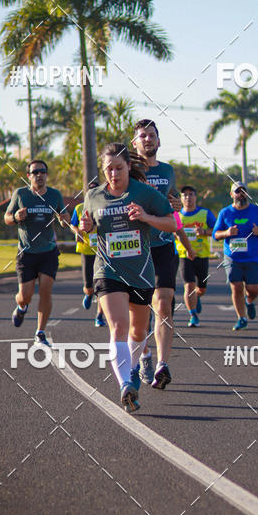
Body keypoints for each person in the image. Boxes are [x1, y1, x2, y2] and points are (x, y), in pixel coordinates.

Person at [79, 143, 176, 412]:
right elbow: (88, 227)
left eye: (119, 168)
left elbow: (172, 224)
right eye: (108, 169)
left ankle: (132, 369)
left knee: (138, 331)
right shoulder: (94, 196)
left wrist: (146, 216)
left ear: (129, 167)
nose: (113, 174)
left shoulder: (145, 193)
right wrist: (87, 227)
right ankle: (125, 386)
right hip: (108, 269)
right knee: (119, 327)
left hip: (141, 272)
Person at [131, 119, 180, 389]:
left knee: (163, 303)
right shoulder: (127, 169)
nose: (148, 139)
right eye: (143, 136)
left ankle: (162, 364)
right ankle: (145, 354)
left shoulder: (168, 170)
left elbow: (173, 201)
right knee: (138, 314)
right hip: (135, 249)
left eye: (152, 135)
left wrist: (175, 203)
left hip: (162, 245)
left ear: (158, 141)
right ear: (135, 142)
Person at [5, 159, 68, 347]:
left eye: (42, 171)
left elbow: (63, 217)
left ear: (47, 175)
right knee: (25, 295)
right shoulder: (20, 194)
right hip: (27, 253)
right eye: (35, 172)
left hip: (48, 252)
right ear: (29, 176)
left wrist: (64, 220)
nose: (39, 175)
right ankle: (21, 307)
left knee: (46, 290)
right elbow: (7, 217)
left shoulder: (55, 195)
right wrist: (16, 217)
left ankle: (40, 332)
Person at [213, 182, 258, 330]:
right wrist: (227, 233)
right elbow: (215, 235)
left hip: (252, 257)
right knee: (236, 287)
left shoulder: (256, 210)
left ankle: (249, 301)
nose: (241, 194)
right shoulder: (225, 213)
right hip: (232, 258)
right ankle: (241, 318)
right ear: (231, 194)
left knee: (254, 289)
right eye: (237, 191)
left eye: (243, 191)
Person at [175, 186, 216, 327]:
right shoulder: (176, 215)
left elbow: (216, 231)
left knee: (201, 288)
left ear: (195, 197)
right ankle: (193, 315)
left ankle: (197, 296)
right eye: (185, 195)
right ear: (181, 198)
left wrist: (204, 231)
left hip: (202, 255)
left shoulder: (205, 213)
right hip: (184, 255)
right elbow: (169, 231)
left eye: (191, 194)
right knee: (189, 285)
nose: (188, 197)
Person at [70, 181, 106, 327]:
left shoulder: (104, 207)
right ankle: (88, 293)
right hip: (86, 250)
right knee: (89, 286)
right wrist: (77, 231)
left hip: (103, 251)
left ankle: (99, 316)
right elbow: (73, 224)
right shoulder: (79, 208)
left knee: (102, 285)